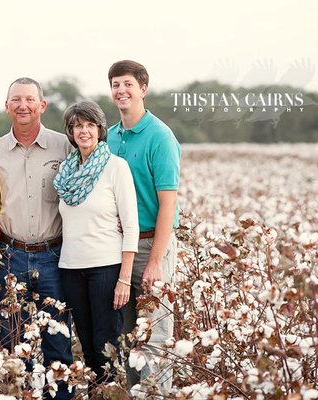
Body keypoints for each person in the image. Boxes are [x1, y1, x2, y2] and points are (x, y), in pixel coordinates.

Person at [0, 77, 74, 400]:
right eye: (16, 100)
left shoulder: (65, 146)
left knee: (58, 340)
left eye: (30, 100)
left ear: (42, 105)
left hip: (54, 254)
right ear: (7, 106)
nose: (23, 106)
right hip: (10, 254)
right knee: (11, 342)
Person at [106, 60, 181, 394]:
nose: (121, 91)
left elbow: (168, 205)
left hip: (152, 247)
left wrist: (155, 261)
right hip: (118, 249)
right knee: (126, 338)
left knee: (154, 338)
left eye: (128, 84)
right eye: (115, 85)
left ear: (143, 89)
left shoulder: (160, 137)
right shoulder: (108, 136)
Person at [53, 100, 138, 384]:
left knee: (106, 349)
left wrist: (124, 279)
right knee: (88, 351)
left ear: (100, 130)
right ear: (70, 131)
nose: (84, 131)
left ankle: (110, 392)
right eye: (78, 126)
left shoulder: (116, 167)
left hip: (106, 268)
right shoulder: (66, 171)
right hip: (71, 268)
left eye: (90, 125)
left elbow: (130, 226)